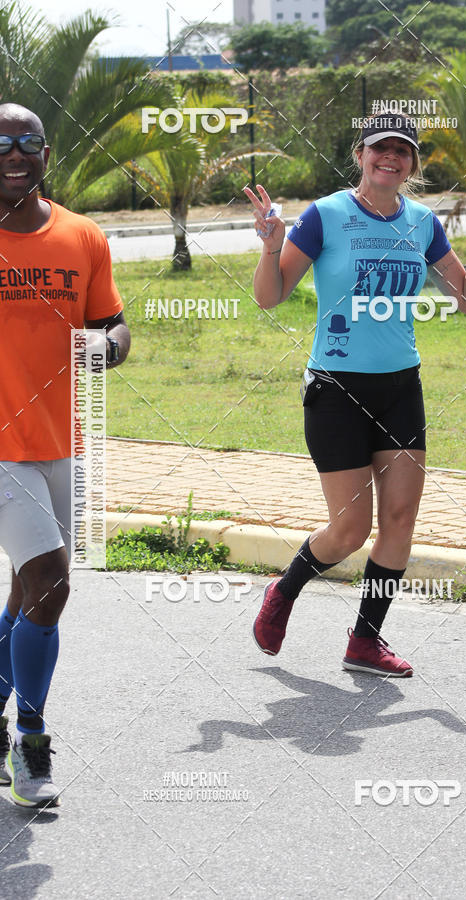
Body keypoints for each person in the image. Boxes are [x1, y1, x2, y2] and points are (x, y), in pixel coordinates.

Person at [244, 113, 466, 677]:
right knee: (349, 530)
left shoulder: (423, 223)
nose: (391, 159)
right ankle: (286, 589)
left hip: (401, 386)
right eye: (381, 149)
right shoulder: (326, 215)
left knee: (399, 518)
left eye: (403, 151)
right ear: (361, 155)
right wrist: (270, 247)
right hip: (336, 388)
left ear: (412, 164)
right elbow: (270, 297)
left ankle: (365, 640)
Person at [0, 103, 130, 807]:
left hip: (61, 443)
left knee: (27, 592)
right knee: (52, 582)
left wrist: (108, 347)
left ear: (46, 153)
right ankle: (31, 743)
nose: (15, 154)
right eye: (1, 144)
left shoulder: (82, 236)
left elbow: (112, 322)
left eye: (28, 143)